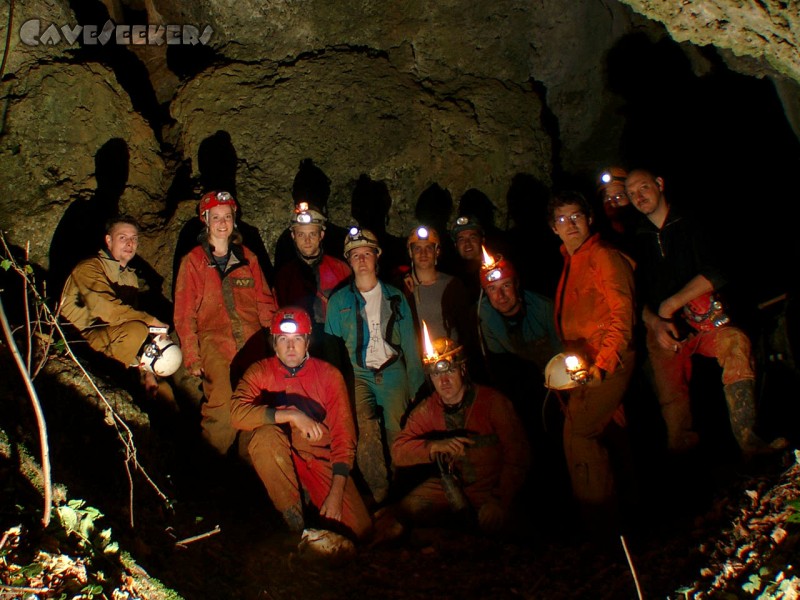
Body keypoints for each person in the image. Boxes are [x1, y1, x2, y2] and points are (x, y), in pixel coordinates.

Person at [625, 168, 786, 456]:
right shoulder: (636, 240)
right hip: (667, 331)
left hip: (708, 320)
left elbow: (717, 271)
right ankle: (684, 457)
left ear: (660, 184)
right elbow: (635, 298)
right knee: (671, 394)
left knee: (736, 345)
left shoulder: (693, 221)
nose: (639, 196)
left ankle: (750, 440)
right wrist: (656, 322)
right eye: (632, 193)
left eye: (643, 188)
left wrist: (671, 304)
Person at [230, 307, 372, 539]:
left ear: (307, 342)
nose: (290, 347)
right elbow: (237, 413)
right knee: (265, 438)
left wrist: (336, 492)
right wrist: (291, 415)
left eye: (297, 339)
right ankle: (293, 521)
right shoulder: (260, 371)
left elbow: (343, 437)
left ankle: (311, 499)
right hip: (277, 458)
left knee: (360, 531)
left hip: (317, 459)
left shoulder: (328, 375)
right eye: (283, 339)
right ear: (274, 343)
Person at [548, 190, 636, 529]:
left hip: (607, 360)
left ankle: (600, 522)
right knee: (612, 432)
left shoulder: (602, 255)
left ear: (589, 219)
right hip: (586, 364)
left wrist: (605, 364)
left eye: (576, 217)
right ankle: (629, 515)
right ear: (553, 228)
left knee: (580, 433)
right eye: (561, 220)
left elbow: (621, 312)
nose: (569, 225)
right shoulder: (571, 261)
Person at [324, 227, 425, 505]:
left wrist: (417, 387)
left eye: (366, 253)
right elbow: (333, 351)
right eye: (355, 255)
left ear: (376, 257)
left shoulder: (395, 296)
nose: (361, 259)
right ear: (349, 260)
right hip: (358, 373)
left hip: (392, 370)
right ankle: (378, 492)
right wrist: (334, 392)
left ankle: (403, 490)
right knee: (362, 424)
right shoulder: (339, 301)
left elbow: (411, 346)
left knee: (400, 428)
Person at [391, 336, 529, 534]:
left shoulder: (492, 402)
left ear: (463, 369)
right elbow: (398, 451)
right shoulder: (430, 408)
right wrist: (433, 447)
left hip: (494, 489)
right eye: (436, 375)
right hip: (454, 488)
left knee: (502, 526)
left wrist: (500, 498)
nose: (444, 381)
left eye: (450, 371)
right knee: (406, 509)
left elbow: (519, 455)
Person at [173, 191, 276, 455]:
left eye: (227, 217)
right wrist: (192, 356)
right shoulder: (194, 261)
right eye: (216, 217)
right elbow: (185, 313)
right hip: (215, 344)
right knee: (221, 403)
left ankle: (250, 467)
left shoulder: (248, 258)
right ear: (205, 220)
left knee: (257, 401)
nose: (222, 223)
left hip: (252, 342)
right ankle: (211, 468)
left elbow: (265, 301)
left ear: (234, 220)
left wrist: (274, 342)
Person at [59, 215, 170, 395]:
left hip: (107, 337)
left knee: (163, 347)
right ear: (109, 241)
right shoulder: (90, 268)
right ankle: (113, 383)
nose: (129, 243)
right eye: (123, 238)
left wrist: (148, 371)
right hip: (77, 339)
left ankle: (127, 380)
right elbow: (110, 311)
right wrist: (151, 321)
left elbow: (128, 317)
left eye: (134, 239)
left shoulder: (129, 277)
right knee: (138, 330)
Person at [273, 202, 351, 355]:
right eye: (301, 234)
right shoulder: (284, 276)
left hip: (337, 344)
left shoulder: (340, 269)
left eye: (312, 234)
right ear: (293, 236)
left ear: (321, 235)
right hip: (299, 346)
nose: (307, 240)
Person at [400, 225, 469, 342]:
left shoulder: (453, 285)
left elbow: (466, 327)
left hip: (450, 355)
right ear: (410, 253)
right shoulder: (401, 288)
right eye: (417, 248)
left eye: (429, 248)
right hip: (417, 358)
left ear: (437, 251)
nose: (423, 253)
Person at [596, 166, 639, 252]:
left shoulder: (646, 234)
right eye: (607, 198)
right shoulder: (601, 241)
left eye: (619, 196)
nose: (612, 203)